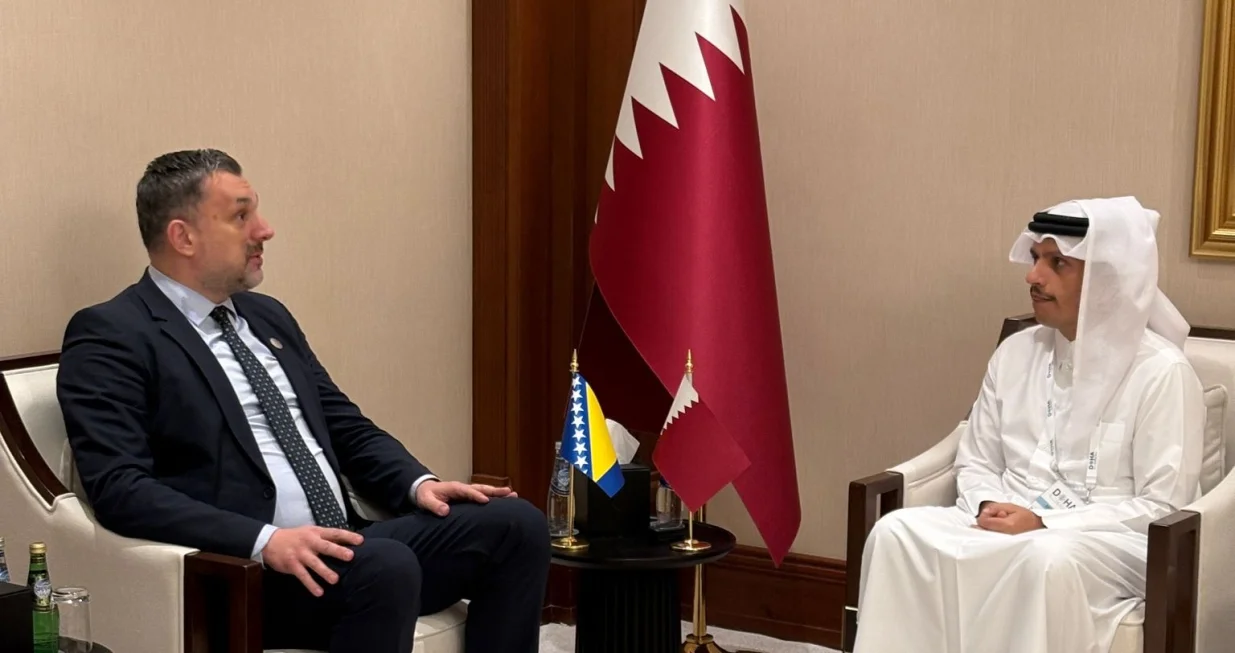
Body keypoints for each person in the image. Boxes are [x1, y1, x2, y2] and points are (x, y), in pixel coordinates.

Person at [56, 149, 550, 653]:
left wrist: (418, 484)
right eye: (241, 217)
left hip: (344, 545)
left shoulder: (266, 317)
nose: (265, 230)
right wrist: (265, 540)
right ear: (183, 237)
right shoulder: (113, 333)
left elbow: (343, 425)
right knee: (383, 566)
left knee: (517, 525)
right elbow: (121, 489)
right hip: (244, 571)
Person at [852, 196, 1204, 653]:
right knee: (895, 533)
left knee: (1042, 559)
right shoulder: (1016, 352)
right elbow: (976, 460)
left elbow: (1162, 506)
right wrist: (988, 504)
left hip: (1107, 540)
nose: (1033, 276)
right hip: (1009, 516)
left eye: (1057, 263)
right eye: (1036, 257)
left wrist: (1044, 522)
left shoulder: (1162, 372)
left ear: (1107, 277)